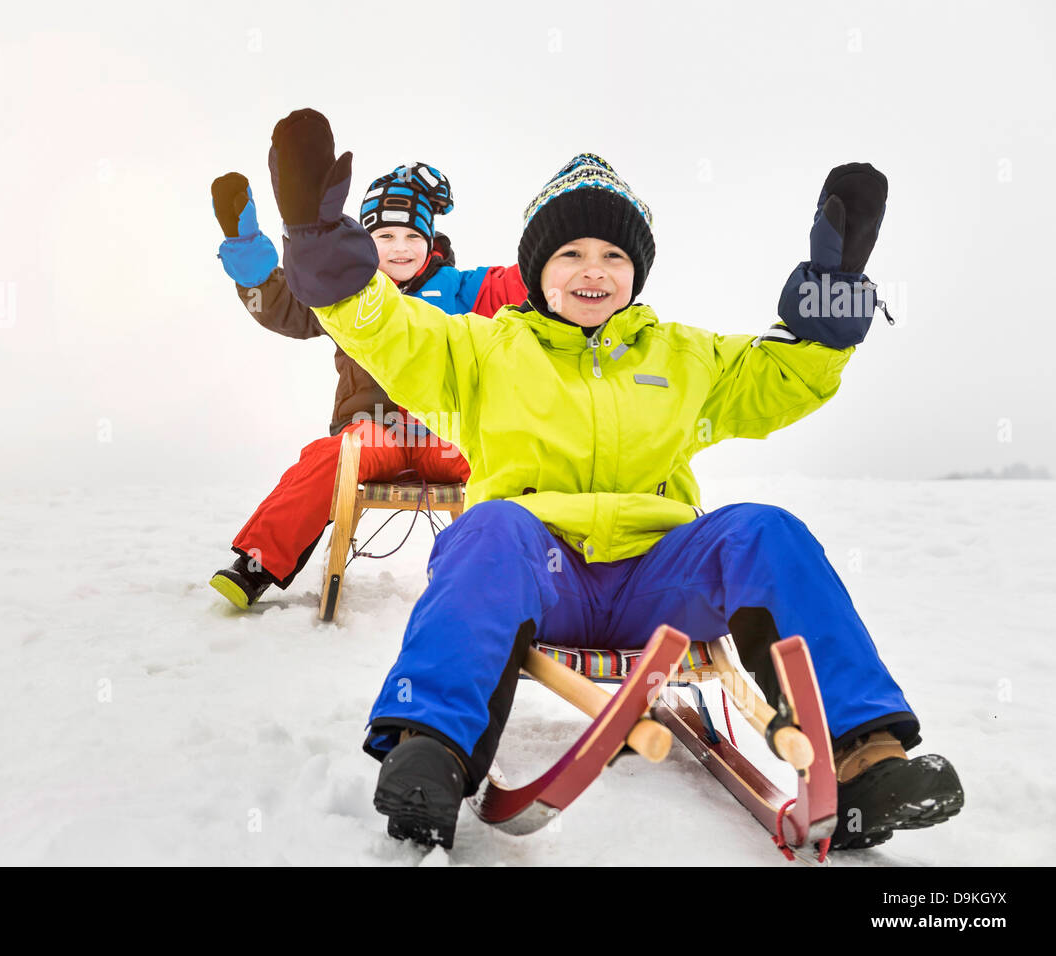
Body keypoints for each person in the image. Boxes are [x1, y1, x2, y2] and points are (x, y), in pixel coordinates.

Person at [263, 107, 963, 852]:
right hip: (541, 571)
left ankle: (865, 755)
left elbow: (781, 374)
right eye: (569, 253)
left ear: (635, 271)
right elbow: (384, 326)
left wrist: (834, 293)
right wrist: (322, 251)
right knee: (487, 530)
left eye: (612, 255)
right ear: (537, 272)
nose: (593, 270)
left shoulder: (684, 355)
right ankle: (431, 750)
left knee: (765, 528)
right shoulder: (482, 350)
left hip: (662, 582)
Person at [207, 164, 526, 608]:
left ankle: (523, 574)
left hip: (448, 430)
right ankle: (258, 563)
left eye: (413, 237)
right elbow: (280, 302)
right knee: (332, 456)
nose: (401, 249)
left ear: (430, 242)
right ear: (363, 244)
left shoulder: (459, 289)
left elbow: (523, 282)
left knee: (506, 461)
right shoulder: (348, 293)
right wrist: (245, 250)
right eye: (386, 238)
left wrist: (568, 247)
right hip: (374, 431)